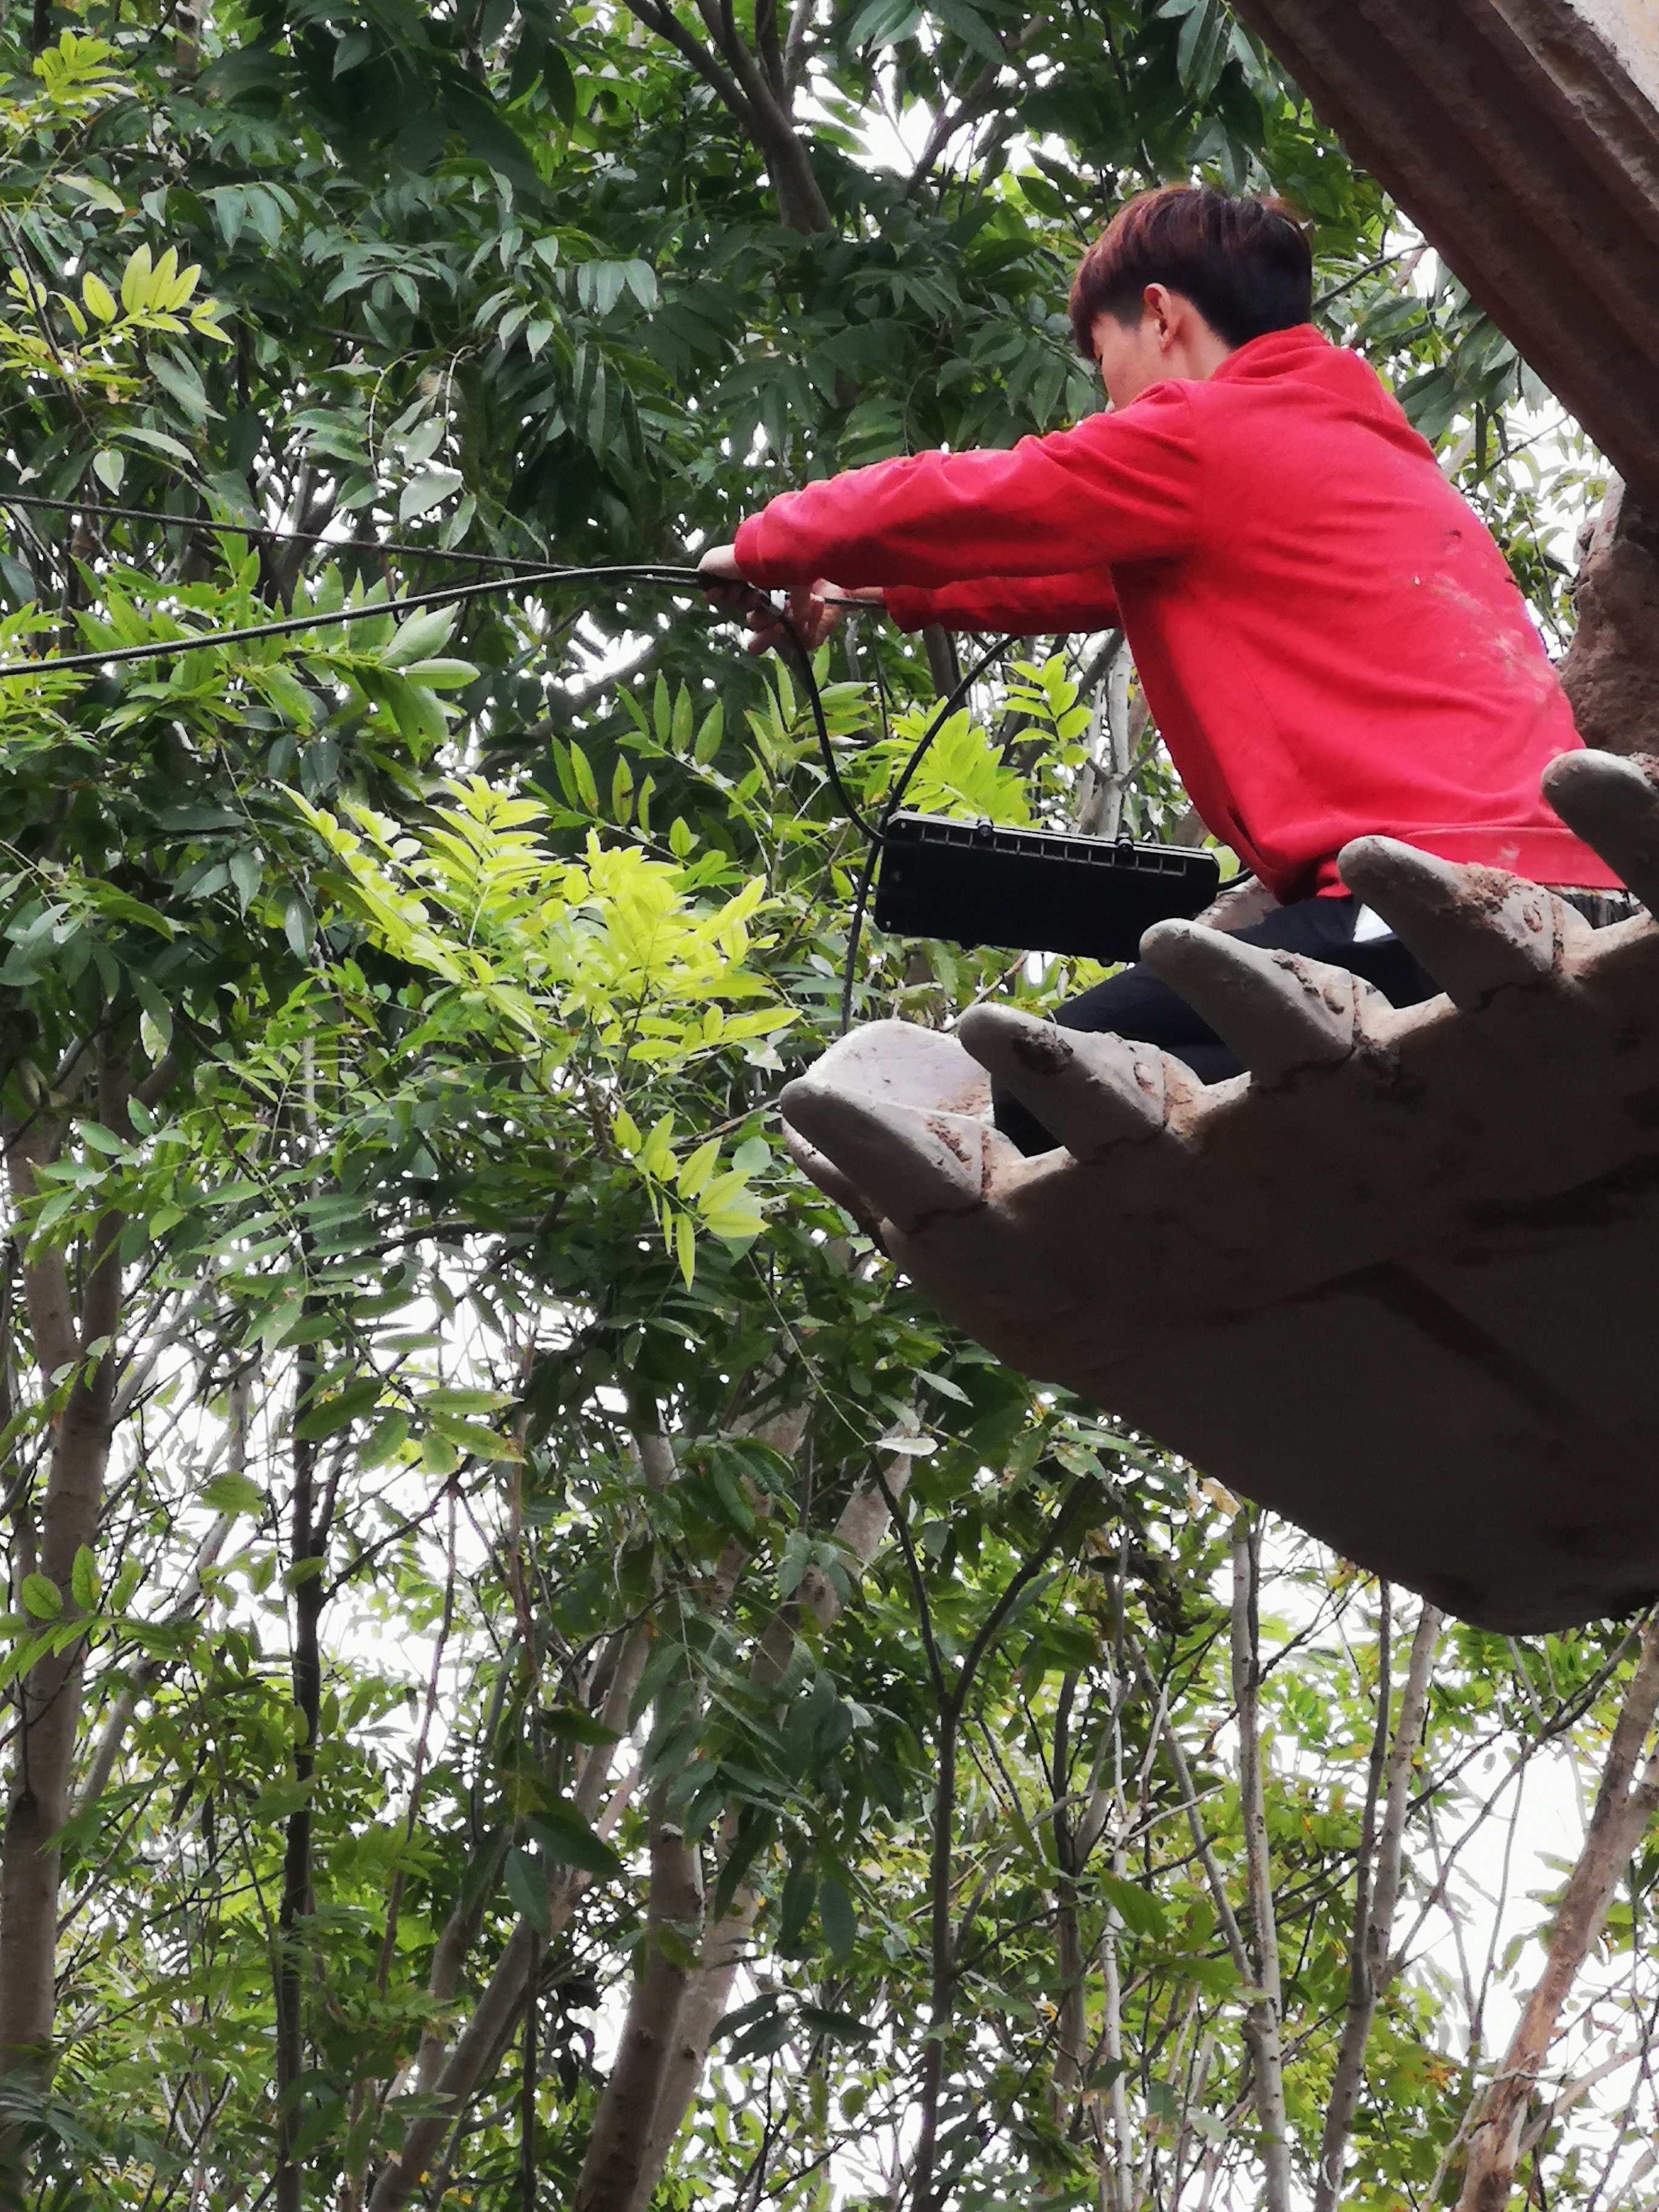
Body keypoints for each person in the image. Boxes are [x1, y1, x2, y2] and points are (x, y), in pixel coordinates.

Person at [698, 184, 1626, 1153]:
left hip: (1438, 904)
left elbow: (982, 498)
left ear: (1158, 314)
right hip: (1570, 887)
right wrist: (861, 592)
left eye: (1104, 360)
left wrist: (773, 543)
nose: (1106, 396)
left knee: (1047, 1092)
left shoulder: (1205, 435)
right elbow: (1080, 573)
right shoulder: (1346, 439)